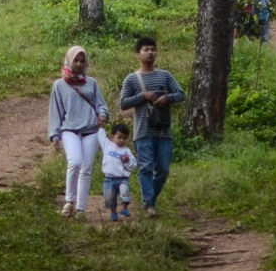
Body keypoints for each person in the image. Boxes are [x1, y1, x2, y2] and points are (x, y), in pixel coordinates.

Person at [118, 36, 185, 218]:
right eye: (146, 50)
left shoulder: (165, 75)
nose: (150, 53)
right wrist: (143, 96)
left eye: (153, 49)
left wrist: (167, 98)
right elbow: (123, 103)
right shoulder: (132, 79)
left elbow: (181, 94)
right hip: (143, 132)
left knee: (163, 169)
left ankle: (150, 200)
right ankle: (149, 204)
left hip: (164, 131)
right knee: (146, 168)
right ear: (138, 54)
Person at [47, 44, 109, 219]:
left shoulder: (92, 83)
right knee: (74, 162)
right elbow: (55, 112)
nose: (79, 64)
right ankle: (69, 201)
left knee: (86, 169)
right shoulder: (59, 85)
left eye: (83, 61)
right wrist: (55, 135)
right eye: (76, 60)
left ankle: (81, 209)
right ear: (69, 61)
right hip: (70, 129)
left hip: (91, 130)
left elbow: (101, 105)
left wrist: (102, 115)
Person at [100, 124, 137, 220]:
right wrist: (101, 127)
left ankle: (124, 208)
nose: (121, 140)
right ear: (112, 137)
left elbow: (133, 165)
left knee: (125, 193)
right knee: (109, 198)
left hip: (122, 179)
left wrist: (127, 161)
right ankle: (113, 213)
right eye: (119, 137)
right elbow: (101, 136)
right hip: (109, 179)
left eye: (124, 138)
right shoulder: (107, 145)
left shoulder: (127, 151)